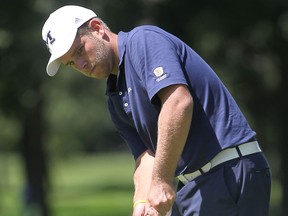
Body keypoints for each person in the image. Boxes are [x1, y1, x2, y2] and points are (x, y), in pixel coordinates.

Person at [41, 5, 271, 216]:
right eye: (71, 63)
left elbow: (178, 102)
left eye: (80, 51)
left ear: (97, 28)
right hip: (193, 186)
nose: (80, 65)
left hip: (228, 171)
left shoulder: (143, 41)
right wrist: (141, 203)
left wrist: (161, 181)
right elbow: (145, 156)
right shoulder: (115, 97)